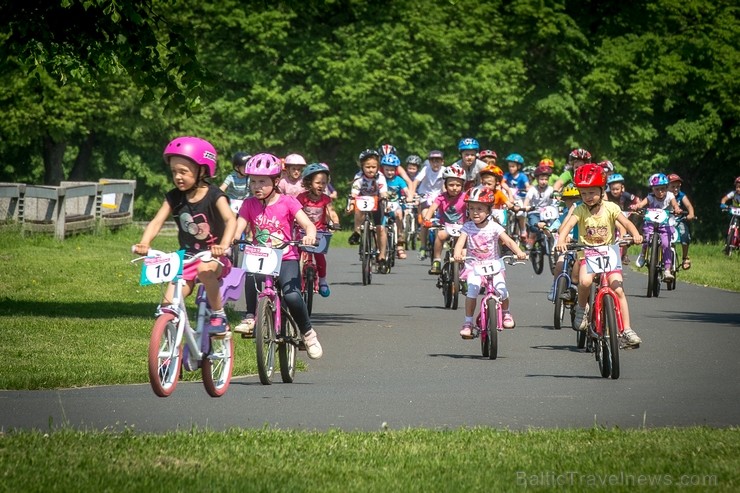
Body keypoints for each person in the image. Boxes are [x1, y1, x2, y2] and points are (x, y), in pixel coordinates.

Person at [133, 136, 236, 335]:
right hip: (186, 259)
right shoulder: (174, 197)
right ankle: (171, 351)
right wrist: (145, 242)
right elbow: (156, 222)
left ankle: (218, 314)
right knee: (167, 305)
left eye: (184, 172)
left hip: (214, 257)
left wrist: (223, 246)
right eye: (174, 172)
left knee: (205, 271)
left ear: (202, 170)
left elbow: (230, 220)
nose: (178, 177)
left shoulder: (215, 195)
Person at [232, 153, 323, 359]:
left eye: (262, 182)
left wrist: (310, 235)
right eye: (253, 181)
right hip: (260, 255)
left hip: (286, 256)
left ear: (275, 181)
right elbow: (239, 227)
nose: (256, 186)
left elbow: (308, 224)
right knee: (250, 273)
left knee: (291, 295)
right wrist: (234, 237)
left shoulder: (288, 202)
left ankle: (308, 333)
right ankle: (249, 316)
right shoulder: (248, 204)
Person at [555, 163, 643, 348]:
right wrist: (561, 239)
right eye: (584, 193)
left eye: (592, 192)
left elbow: (626, 223)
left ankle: (626, 329)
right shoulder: (579, 209)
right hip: (587, 252)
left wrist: (635, 234)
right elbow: (569, 225)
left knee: (618, 288)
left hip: (609, 252)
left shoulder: (611, 208)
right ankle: (581, 309)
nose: (587, 197)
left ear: (602, 191)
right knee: (585, 282)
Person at [453, 186, 527, 337]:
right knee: (472, 292)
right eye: (471, 208)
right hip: (474, 266)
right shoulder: (467, 227)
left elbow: (508, 241)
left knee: (502, 290)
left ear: (488, 211)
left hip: (493, 266)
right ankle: (468, 322)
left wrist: (519, 252)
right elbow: (460, 244)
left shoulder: (494, 226)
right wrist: (457, 254)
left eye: (479, 208)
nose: (475, 212)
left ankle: (506, 313)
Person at [297, 163, 340, 297]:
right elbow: (295, 212)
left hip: (319, 232)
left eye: (324, 183)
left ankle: (322, 281)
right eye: (317, 182)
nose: (321, 185)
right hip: (302, 232)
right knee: (296, 255)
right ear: (309, 183)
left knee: (320, 257)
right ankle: (294, 280)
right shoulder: (302, 198)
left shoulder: (325, 199)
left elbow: (331, 212)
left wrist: (336, 222)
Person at [632, 173, 682, 280]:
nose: (660, 192)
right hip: (651, 223)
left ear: (667, 187)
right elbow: (641, 204)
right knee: (646, 238)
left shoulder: (670, 196)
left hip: (665, 225)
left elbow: (675, 205)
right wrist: (637, 206)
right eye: (657, 189)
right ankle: (643, 254)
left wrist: (677, 209)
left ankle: (667, 270)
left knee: (665, 244)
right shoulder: (650, 197)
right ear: (652, 189)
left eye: (663, 189)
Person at [347, 148, 390, 273]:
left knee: (380, 229)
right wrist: (350, 204)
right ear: (362, 167)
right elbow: (354, 194)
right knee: (357, 209)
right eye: (367, 167)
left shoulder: (380, 177)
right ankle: (357, 232)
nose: (370, 170)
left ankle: (381, 256)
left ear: (377, 167)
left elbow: (384, 193)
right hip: (363, 201)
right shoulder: (358, 177)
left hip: (377, 201)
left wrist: (385, 201)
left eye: (373, 167)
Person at [424, 164, 467, 275]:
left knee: (461, 246)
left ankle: (464, 270)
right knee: (440, 235)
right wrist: (427, 219)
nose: (454, 188)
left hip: (461, 227)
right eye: (451, 184)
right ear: (445, 185)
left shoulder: (466, 197)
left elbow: (472, 210)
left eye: (458, 185)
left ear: (462, 185)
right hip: (445, 225)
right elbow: (432, 207)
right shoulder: (441, 197)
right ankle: (437, 260)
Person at [409, 150, 446, 260]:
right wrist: (412, 193)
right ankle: (423, 246)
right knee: (426, 219)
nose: (435, 164)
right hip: (425, 194)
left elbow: (445, 184)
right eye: (432, 161)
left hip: (439, 195)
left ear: (442, 162)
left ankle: (440, 241)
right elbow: (416, 181)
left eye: (438, 161)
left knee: (441, 220)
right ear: (429, 162)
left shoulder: (445, 171)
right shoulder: (426, 169)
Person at [546, 183, 581, 301]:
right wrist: (548, 229)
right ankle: (555, 286)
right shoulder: (566, 214)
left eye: (575, 199)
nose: (571, 202)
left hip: (582, 245)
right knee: (560, 265)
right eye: (568, 199)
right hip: (567, 246)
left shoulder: (583, 211)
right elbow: (557, 225)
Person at [606, 173, 640, 264]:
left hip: (623, 216)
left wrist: (636, 206)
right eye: (613, 189)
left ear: (622, 188)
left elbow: (637, 200)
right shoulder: (607, 195)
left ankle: (624, 254)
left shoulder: (625, 195)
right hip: (611, 218)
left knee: (623, 234)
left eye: (617, 189)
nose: (615, 191)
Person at [380, 153, 409, 260]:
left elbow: (406, 190)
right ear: (383, 169)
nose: (390, 172)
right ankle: (379, 247)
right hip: (383, 204)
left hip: (396, 203)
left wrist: (409, 196)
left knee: (399, 213)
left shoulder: (399, 180)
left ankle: (400, 237)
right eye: (387, 169)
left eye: (392, 170)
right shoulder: (380, 179)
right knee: (380, 226)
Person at [522, 165, 556, 249]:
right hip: (534, 212)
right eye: (541, 179)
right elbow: (527, 199)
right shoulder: (532, 189)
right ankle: (531, 240)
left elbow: (556, 200)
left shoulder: (551, 189)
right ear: (537, 179)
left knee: (552, 227)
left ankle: (551, 241)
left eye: (546, 179)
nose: (544, 182)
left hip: (547, 213)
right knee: (534, 227)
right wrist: (525, 207)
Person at [666, 174, 695, 270]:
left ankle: (685, 257)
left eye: (677, 186)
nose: (675, 189)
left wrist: (690, 214)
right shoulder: (664, 195)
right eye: (673, 187)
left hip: (679, 220)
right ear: (667, 186)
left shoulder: (681, 195)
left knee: (684, 235)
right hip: (665, 220)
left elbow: (689, 206)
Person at [502, 153, 530, 243]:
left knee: (521, 213)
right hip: (510, 198)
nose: (511, 168)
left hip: (519, 198)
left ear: (518, 166)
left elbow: (527, 186)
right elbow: (502, 182)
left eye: (513, 166)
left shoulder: (522, 176)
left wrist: (527, 189)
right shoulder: (507, 175)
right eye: (509, 166)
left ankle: (522, 229)